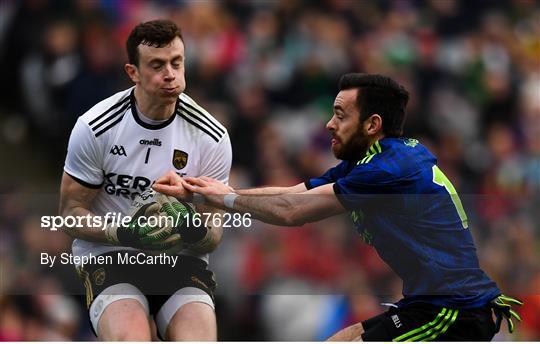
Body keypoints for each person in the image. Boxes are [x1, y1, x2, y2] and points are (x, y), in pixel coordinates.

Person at [153, 73, 522, 341]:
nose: (329, 124)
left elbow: (291, 211)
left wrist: (221, 199)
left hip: (454, 311)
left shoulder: (388, 169)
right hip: (429, 305)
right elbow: (293, 194)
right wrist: (216, 191)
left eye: (341, 115)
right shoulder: (367, 162)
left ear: (372, 124)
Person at [59, 19, 232, 341]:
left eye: (176, 62)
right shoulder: (96, 126)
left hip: (180, 260)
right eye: (157, 65)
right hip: (111, 255)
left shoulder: (211, 136)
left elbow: (214, 233)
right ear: (132, 72)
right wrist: (123, 231)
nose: (170, 73)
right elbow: (70, 214)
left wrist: (190, 228)